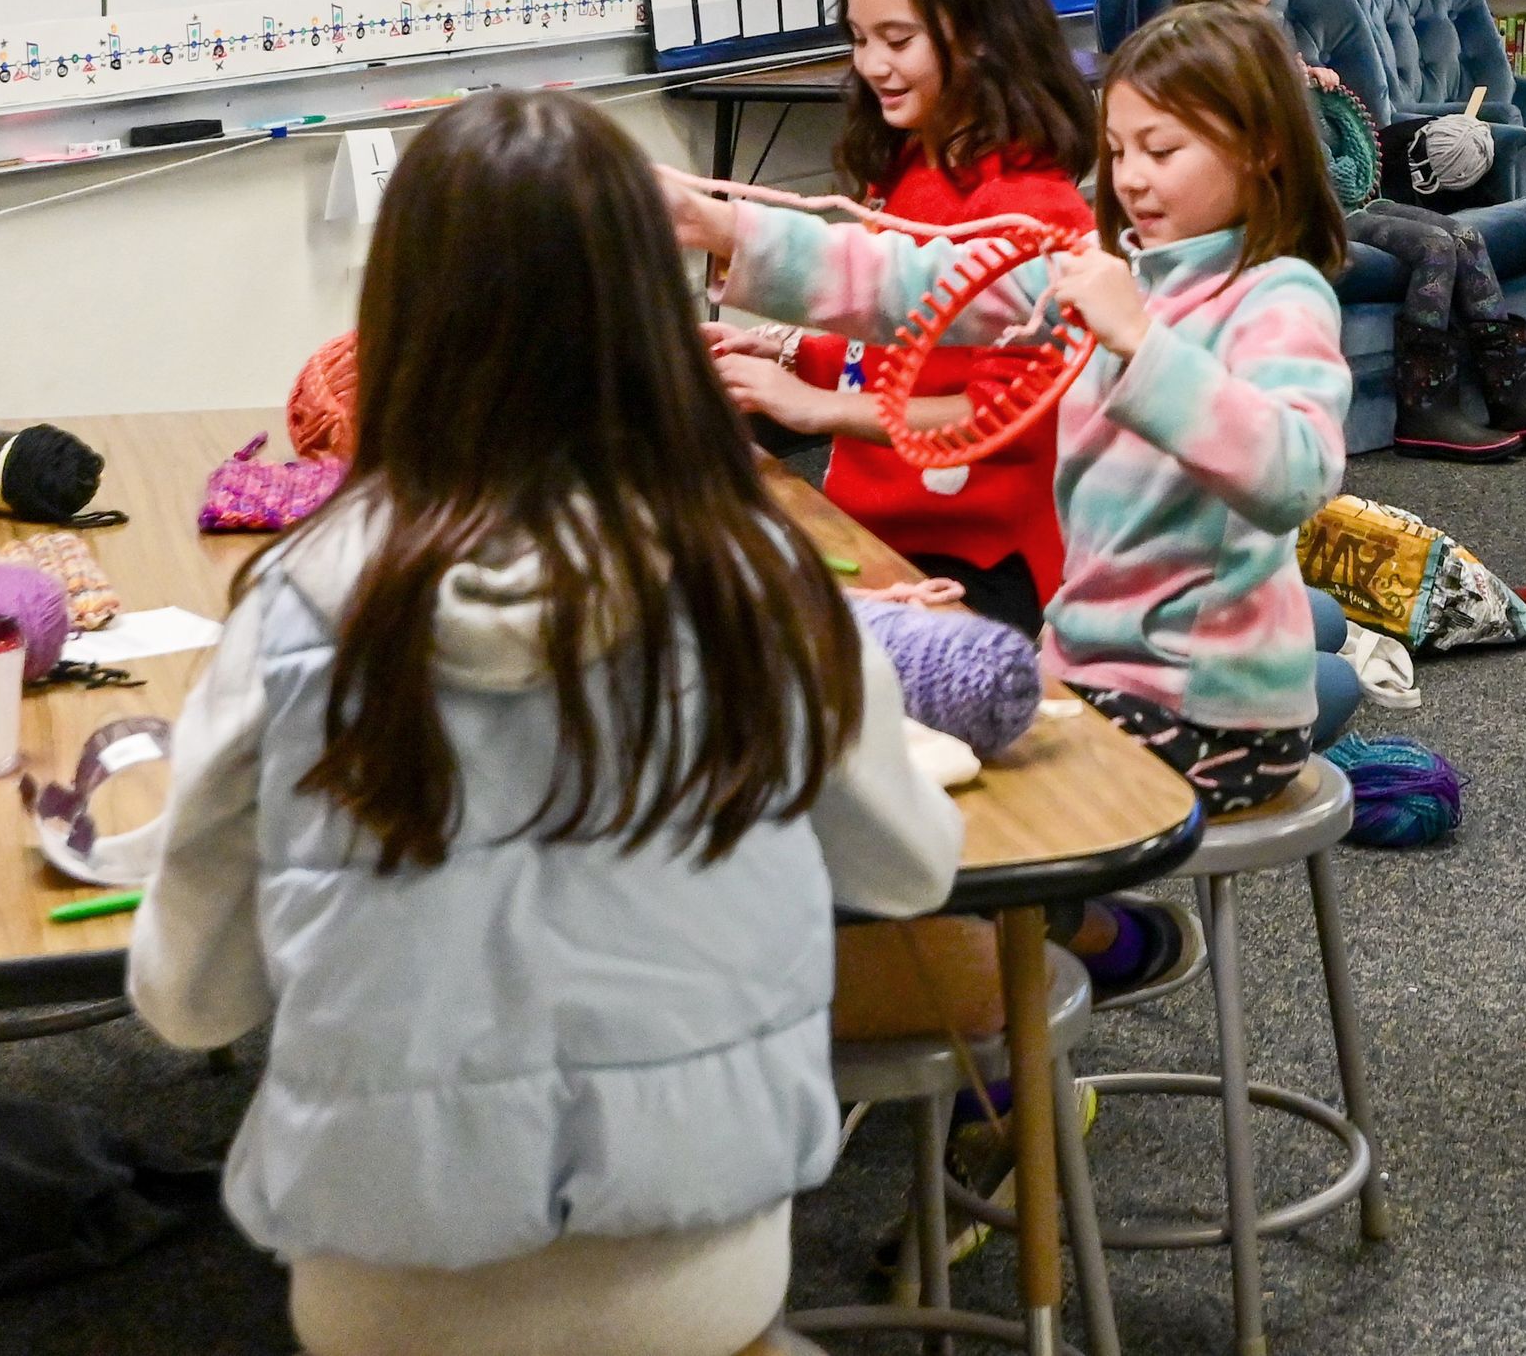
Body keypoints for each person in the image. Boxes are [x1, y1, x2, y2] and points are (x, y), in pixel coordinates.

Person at [133, 91, 962, 1356]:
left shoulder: (298, 611)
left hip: (384, 1296)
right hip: (697, 1278)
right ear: (652, 314)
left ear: (399, 318)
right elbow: (909, 870)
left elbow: (188, 1004)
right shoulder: (763, 589)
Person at [673, 0, 1354, 997]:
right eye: (1120, 148)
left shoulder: (1277, 296)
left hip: (1209, 713)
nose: (1129, 178)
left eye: (1162, 149)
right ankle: (1034, 993)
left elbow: (1294, 473)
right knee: (875, 747)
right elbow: (924, 282)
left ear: (1259, 150)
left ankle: (1028, 1031)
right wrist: (728, 226)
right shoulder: (1117, 274)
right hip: (1096, 669)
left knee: (925, 795)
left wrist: (1141, 344)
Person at [704, 0, 1097, 638]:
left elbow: (1003, 419)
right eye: (858, 39)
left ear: (979, 36)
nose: (872, 66)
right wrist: (788, 351)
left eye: (898, 39)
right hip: (877, 527)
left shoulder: (1030, 209)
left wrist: (814, 408)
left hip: (978, 562)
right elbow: (905, 352)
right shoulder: (912, 162)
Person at [1168, 0, 1526, 459]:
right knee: (1433, 248)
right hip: (1302, 212)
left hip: (1349, 200)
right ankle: (1425, 409)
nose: (1270, 19)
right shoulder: (1211, 80)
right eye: (1257, 9)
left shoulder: (1277, 60)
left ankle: (1512, 392)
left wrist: (1315, 82)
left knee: (1463, 235)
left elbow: (1331, 135)